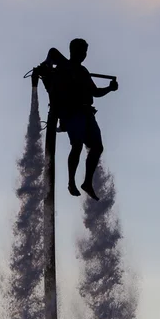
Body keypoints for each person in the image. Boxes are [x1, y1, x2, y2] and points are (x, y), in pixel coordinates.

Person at [36, 39, 118, 201]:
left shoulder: (83, 71)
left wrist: (110, 88)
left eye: (85, 52)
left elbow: (95, 92)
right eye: (81, 51)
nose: (83, 55)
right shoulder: (64, 66)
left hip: (87, 112)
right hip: (72, 113)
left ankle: (87, 182)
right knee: (77, 144)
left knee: (98, 147)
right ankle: (71, 181)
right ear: (73, 51)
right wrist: (47, 65)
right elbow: (52, 52)